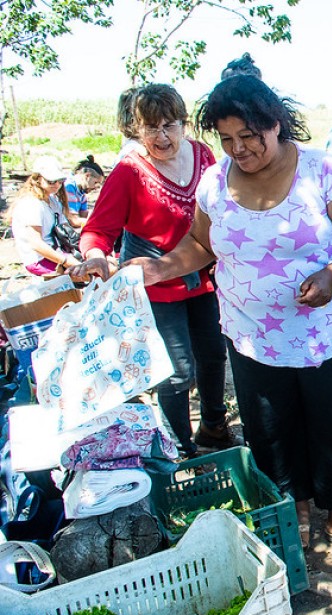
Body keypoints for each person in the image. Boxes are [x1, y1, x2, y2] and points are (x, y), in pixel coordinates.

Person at [125, 75, 332, 557]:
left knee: (330, 422)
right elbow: (202, 246)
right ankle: (293, 508)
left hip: (318, 335)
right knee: (269, 425)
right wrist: (159, 267)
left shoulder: (323, 173)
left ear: (275, 124)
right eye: (227, 139)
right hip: (250, 337)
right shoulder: (216, 181)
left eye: (248, 136)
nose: (238, 150)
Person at [70, 84, 230, 458]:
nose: (162, 136)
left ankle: (214, 427)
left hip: (205, 278)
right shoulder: (130, 171)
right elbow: (98, 229)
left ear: (184, 124)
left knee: (212, 355)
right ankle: (180, 449)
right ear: (136, 129)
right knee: (176, 371)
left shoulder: (204, 156)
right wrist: (95, 255)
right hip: (156, 284)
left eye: (170, 125)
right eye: (151, 127)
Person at [9, 156, 82, 275]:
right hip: (39, 259)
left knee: (106, 263)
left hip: (57, 252)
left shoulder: (53, 201)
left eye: (60, 181)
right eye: (51, 181)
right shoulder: (32, 204)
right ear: (38, 179)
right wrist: (65, 261)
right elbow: (36, 243)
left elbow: (66, 230)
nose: (57, 184)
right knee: (93, 272)